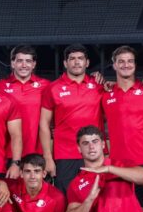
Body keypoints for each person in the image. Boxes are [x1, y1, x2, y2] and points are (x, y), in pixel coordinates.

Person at [103, 46, 143, 212]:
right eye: (121, 61)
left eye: (130, 61)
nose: (126, 65)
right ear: (114, 65)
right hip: (118, 164)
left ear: (135, 64)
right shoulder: (105, 95)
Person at [40, 43, 104, 194]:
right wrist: (48, 158)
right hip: (65, 155)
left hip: (93, 154)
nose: (76, 62)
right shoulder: (53, 88)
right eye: (72, 59)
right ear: (65, 63)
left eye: (80, 58)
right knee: (65, 203)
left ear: (87, 63)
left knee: (95, 202)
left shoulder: (98, 85)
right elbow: (44, 123)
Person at [1, 45, 51, 156]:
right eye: (19, 61)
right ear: (13, 63)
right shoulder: (0, 86)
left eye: (28, 61)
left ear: (34, 64)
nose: (24, 65)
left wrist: (94, 77)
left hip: (37, 151)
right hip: (7, 152)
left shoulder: (46, 86)